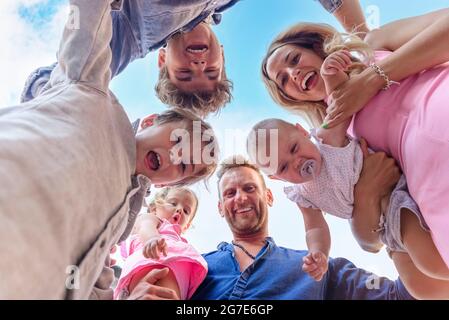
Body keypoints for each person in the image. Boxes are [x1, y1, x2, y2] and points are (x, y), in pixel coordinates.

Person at [0, 0, 218, 299]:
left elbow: (92, 279)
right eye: (179, 142)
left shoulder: (122, 219)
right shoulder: (91, 90)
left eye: (183, 166)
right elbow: (86, 26)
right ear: (152, 121)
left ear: (167, 184)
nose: (174, 157)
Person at [260, 8, 449, 278]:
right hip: (436, 189)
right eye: (284, 80)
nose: (293, 73)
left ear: (315, 48)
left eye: (294, 59)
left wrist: (371, 79)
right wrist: (365, 195)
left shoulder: (374, 45)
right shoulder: (332, 143)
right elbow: (368, 239)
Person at [128, 156, 413, 300]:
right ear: (220, 209)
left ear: (269, 196)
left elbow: (403, 293)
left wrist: (386, 204)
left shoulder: (320, 269)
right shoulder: (191, 267)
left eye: (250, 188)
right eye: (229, 193)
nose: (240, 198)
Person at [21, 0, 366, 117]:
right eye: (211, 71)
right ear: (223, 56)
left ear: (161, 62)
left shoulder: (135, 34)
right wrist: (365, 39)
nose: (199, 64)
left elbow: (63, 79)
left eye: (184, 73)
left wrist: (47, 106)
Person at [114, 187, 207, 300]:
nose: (179, 209)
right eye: (173, 203)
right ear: (154, 208)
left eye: (186, 211)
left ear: (186, 226)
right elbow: (145, 226)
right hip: (150, 264)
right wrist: (152, 238)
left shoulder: (181, 243)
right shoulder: (155, 221)